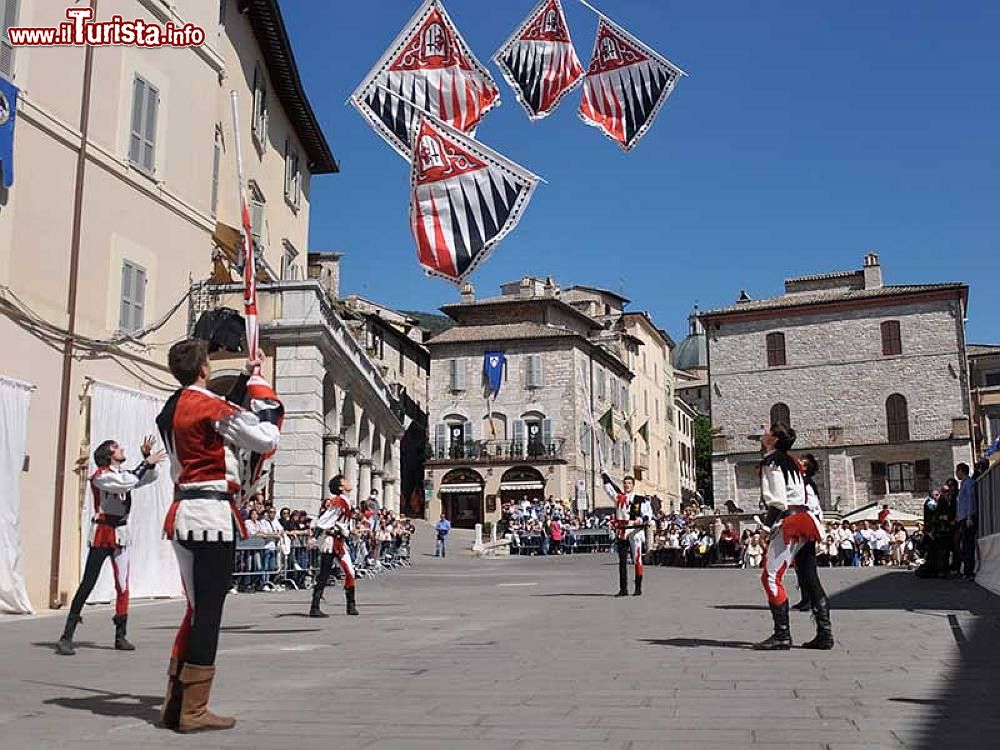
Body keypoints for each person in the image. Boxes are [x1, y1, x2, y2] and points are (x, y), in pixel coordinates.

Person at [156, 340, 282, 733]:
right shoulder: (210, 406)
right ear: (204, 369)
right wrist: (264, 400)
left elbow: (221, 412)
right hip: (211, 517)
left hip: (182, 515)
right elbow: (265, 438)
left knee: (196, 610)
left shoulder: (170, 409)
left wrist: (245, 377)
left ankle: (176, 701)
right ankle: (192, 711)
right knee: (208, 613)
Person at [56, 436, 166, 656]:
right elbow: (127, 482)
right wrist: (146, 463)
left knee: (123, 585)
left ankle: (120, 635)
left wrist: (148, 461)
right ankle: (66, 636)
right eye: (116, 447)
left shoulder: (122, 474)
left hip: (121, 532)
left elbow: (148, 478)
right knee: (88, 582)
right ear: (108, 455)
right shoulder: (101, 476)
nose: (121, 448)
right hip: (103, 530)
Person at [754, 425, 832, 650]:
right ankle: (825, 634)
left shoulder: (773, 462)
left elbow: (778, 500)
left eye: (767, 431)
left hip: (790, 522)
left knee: (770, 577)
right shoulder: (793, 462)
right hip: (806, 519)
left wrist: (765, 530)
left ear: (773, 440)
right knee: (810, 578)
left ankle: (782, 635)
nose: (763, 432)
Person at [310, 475, 359, 618]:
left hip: (340, 541)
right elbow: (324, 520)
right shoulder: (338, 501)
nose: (348, 482)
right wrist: (313, 538)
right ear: (340, 487)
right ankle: (315, 606)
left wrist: (349, 531)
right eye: (345, 481)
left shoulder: (346, 502)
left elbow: (341, 523)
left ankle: (351, 605)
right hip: (331, 542)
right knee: (324, 573)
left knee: (350, 571)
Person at [602, 472, 652, 597]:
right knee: (622, 561)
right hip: (622, 531)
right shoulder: (618, 497)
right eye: (625, 483)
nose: (626, 485)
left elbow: (648, 514)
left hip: (635, 531)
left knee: (637, 559)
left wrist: (642, 519)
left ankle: (638, 587)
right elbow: (609, 488)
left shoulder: (641, 499)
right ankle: (623, 589)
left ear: (633, 485)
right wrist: (604, 475)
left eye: (629, 483)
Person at [792, 454, 824, 612]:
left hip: (807, 526)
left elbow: (813, 506)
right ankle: (806, 598)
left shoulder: (806, 483)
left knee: (808, 566)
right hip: (802, 526)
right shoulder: (800, 481)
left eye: (801, 462)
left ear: (805, 468)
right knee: (800, 564)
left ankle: (817, 601)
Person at [955, 463, 976, 580]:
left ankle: (969, 571)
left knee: (968, 545)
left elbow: (970, 500)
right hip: (963, 517)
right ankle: (967, 569)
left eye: (957, 471)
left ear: (961, 471)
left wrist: (969, 516)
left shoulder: (968, 483)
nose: (956, 473)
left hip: (968, 517)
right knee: (964, 544)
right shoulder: (963, 484)